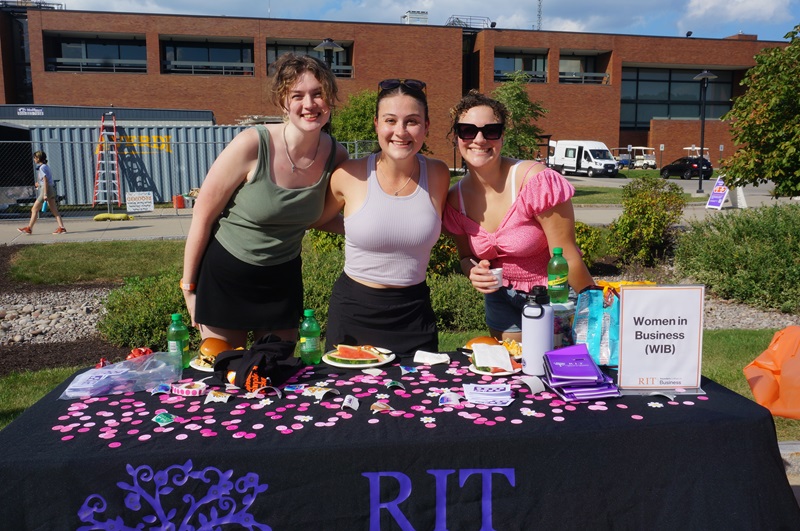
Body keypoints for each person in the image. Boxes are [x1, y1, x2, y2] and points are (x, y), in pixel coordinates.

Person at [181, 53, 348, 348]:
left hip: (282, 281)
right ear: (284, 102)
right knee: (224, 376)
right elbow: (203, 216)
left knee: (278, 375)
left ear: (330, 99)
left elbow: (321, 217)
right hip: (226, 277)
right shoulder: (252, 144)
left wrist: (372, 230)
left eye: (318, 94)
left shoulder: (337, 156)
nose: (309, 104)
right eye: (298, 95)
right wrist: (189, 289)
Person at [443, 90, 595, 342]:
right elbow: (466, 257)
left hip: (552, 300)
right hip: (500, 300)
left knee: (557, 374)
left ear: (502, 136)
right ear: (457, 137)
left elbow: (568, 256)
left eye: (491, 130)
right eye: (467, 130)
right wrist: (473, 271)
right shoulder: (454, 198)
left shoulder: (535, 181)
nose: (479, 139)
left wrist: (598, 308)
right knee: (512, 371)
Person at [318, 78, 450, 356]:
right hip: (354, 312)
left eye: (412, 121)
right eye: (390, 120)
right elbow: (318, 219)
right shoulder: (348, 175)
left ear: (426, 126)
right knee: (347, 397)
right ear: (377, 124)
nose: (400, 131)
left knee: (417, 397)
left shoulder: (438, 174)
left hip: (414, 314)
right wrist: (358, 228)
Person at [18, 150, 67, 235]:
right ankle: (62, 228)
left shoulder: (42, 167)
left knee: (34, 209)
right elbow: (44, 180)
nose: (34, 159)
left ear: (38, 158)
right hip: (50, 189)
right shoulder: (45, 166)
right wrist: (38, 184)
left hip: (46, 190)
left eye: (34, 158)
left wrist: (44, 194)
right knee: (54, 210)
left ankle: (29, 228)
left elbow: (45, 181)